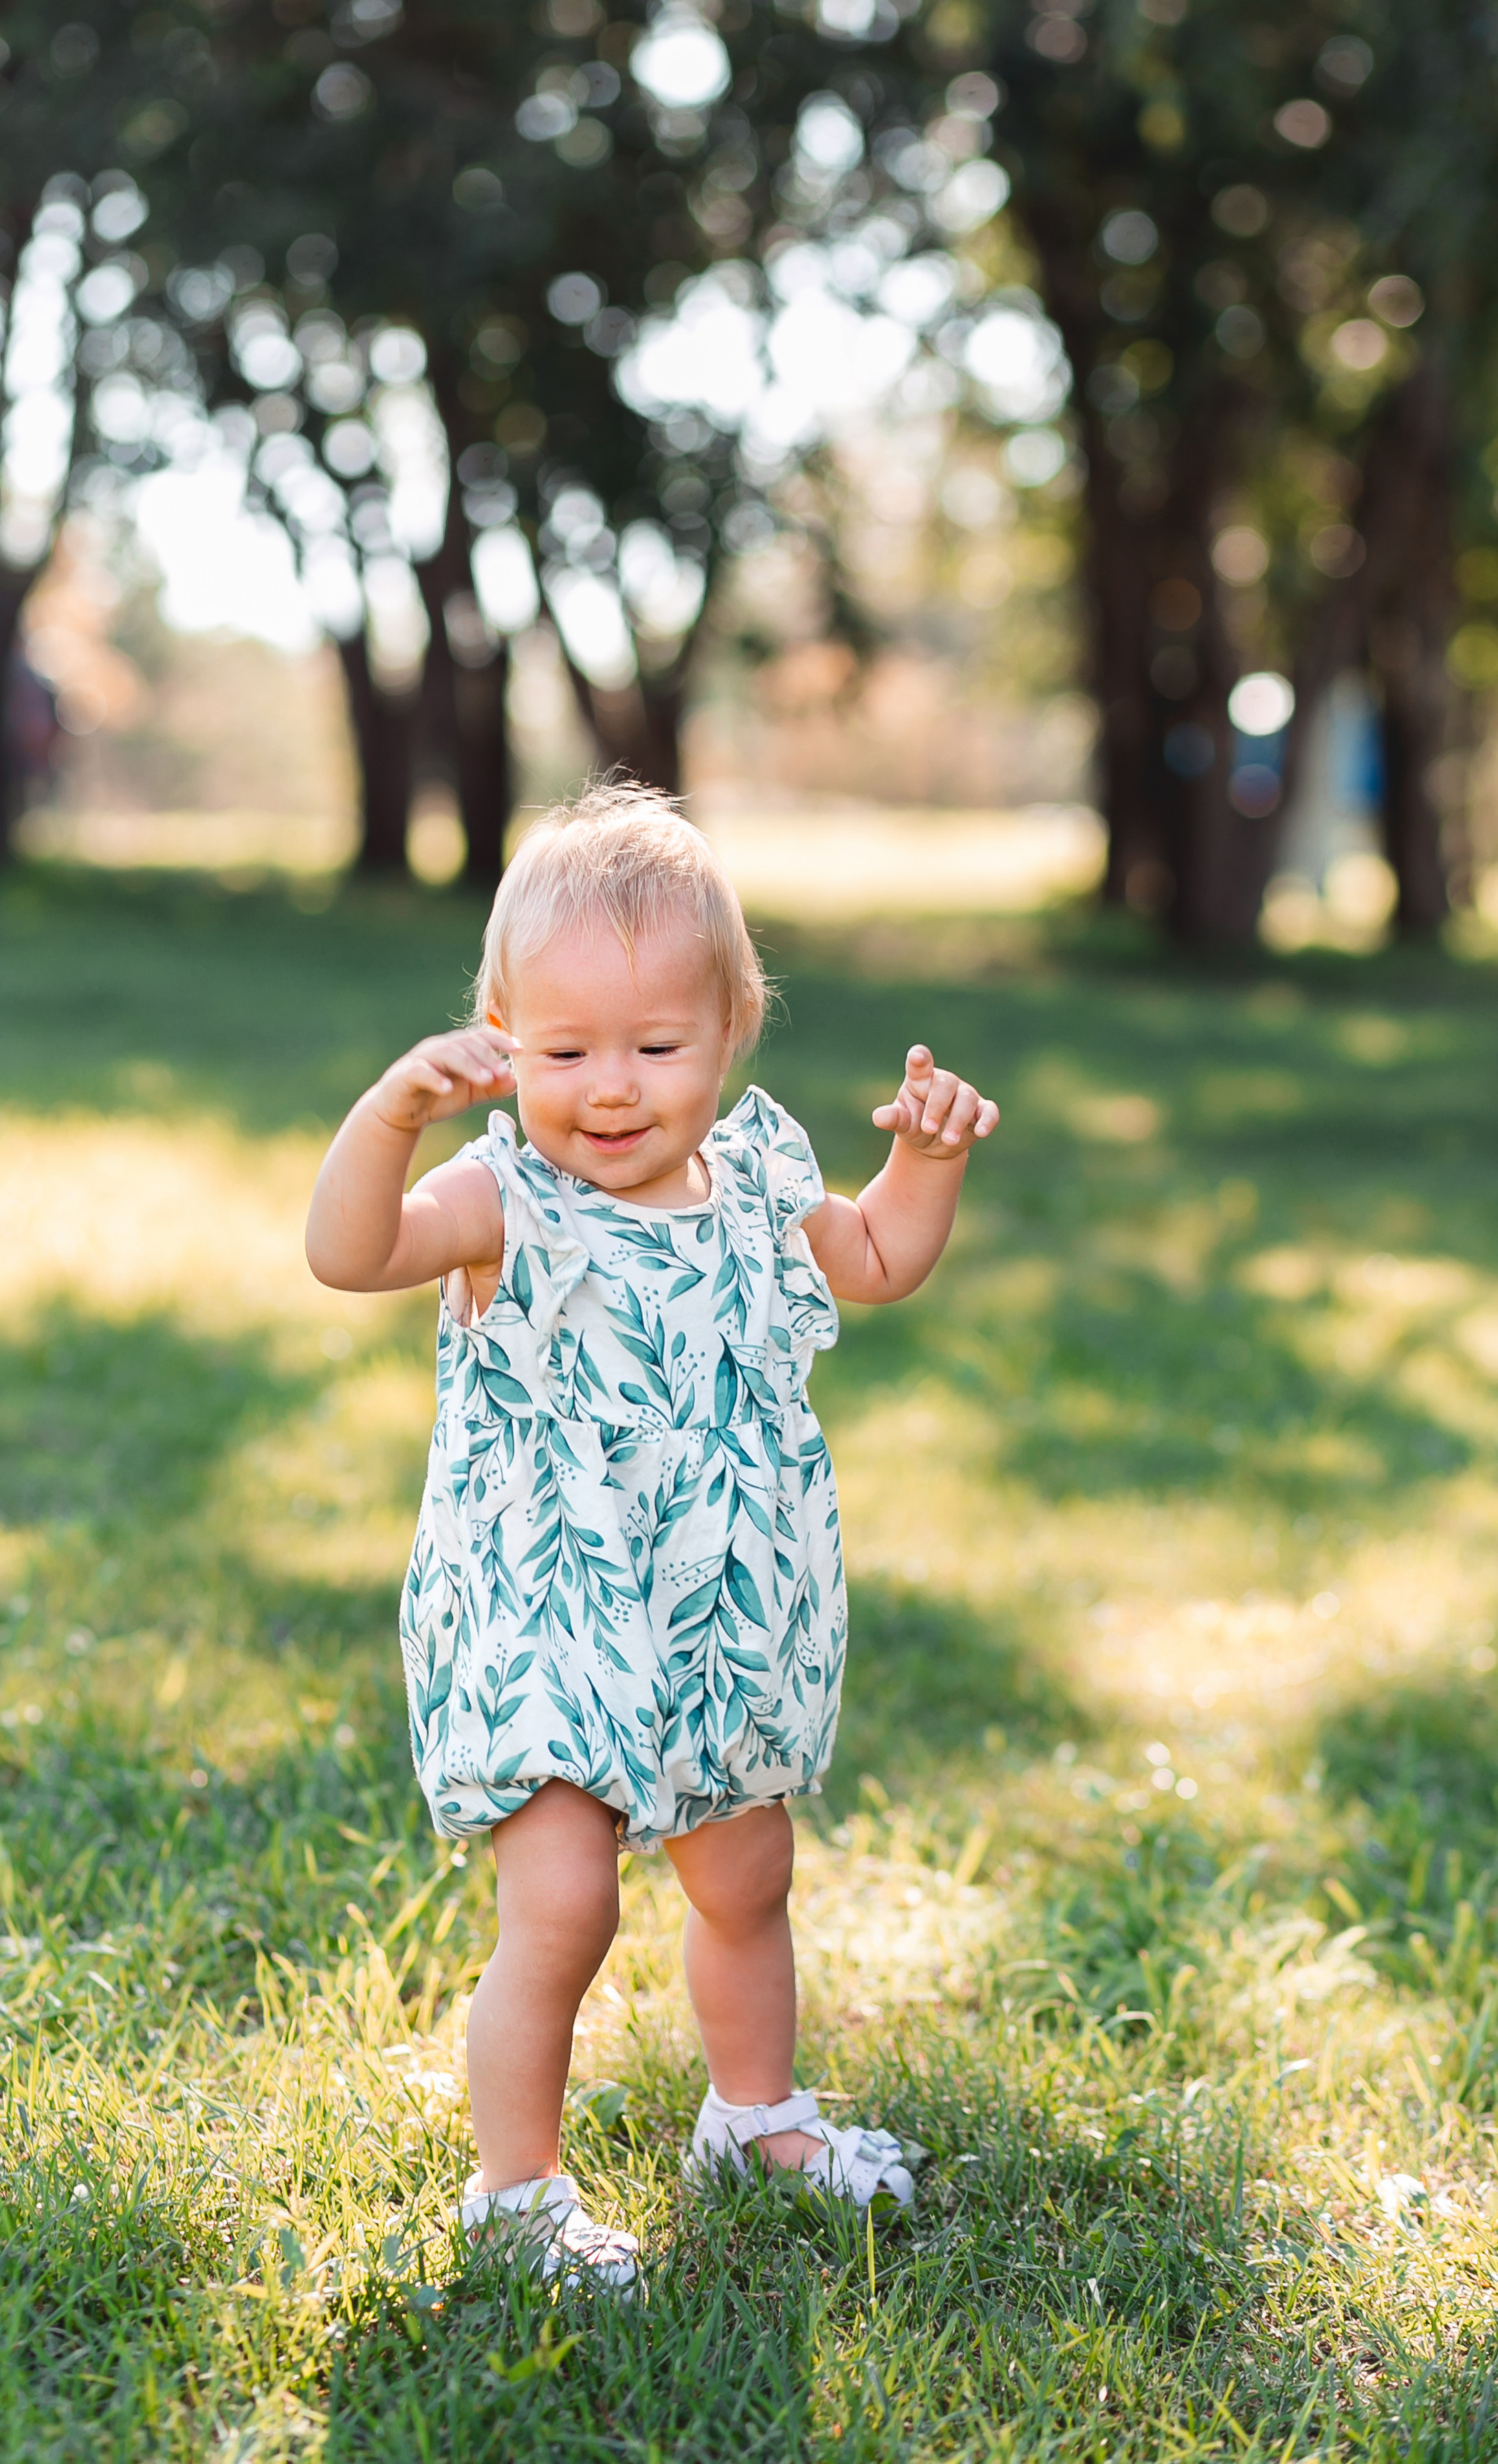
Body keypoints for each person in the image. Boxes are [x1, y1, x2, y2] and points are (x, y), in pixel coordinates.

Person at [305, 783, 998, 2290]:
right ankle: (518, 2199)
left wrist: (926, 1161)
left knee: (747, 1878)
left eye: (654, 1046)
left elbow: (872, 1255)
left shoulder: (753, 1170)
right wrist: (390, 1117)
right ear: (500, 1034)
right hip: (551, 1606)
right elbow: (347, 1252)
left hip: (726, 1611)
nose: (607, 1088)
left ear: (731, 1029)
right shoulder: (504, 1197)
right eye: (561, 1051)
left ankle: (754, 2117)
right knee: (565, 1899)